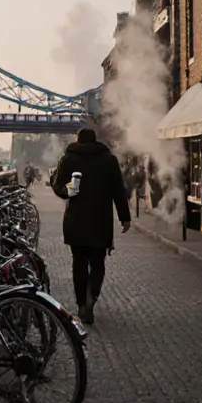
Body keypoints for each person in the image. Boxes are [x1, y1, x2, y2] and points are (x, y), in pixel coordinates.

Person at [50, 127, 131, 325]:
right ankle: (91, 298)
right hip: (100, 221)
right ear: (95, 140)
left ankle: (81, 304)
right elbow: (118, 190)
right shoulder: (109, 160)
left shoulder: (67, 159)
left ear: (78, 140)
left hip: (75, 220)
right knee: (97, 264)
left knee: (79, 263)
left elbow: (59, 187)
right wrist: (125, 217)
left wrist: (70, 190)